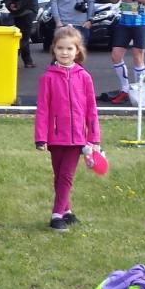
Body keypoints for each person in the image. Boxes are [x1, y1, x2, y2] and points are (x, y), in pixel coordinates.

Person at [33, 25, 100, 231]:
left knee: (66, 176)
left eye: (69, 48)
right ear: (53, 49)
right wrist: (41, 137)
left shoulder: (84, 77)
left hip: (77, 138)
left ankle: (56, 215)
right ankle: (67, 211)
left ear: (77, 51)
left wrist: (94, 138)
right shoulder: (48, 77)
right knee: (59, 175)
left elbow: (91, 110)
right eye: (60, 48)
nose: (64, 52)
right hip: (55, 137)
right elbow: (42, 109)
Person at [7, 0, 39, 67]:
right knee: (24, 38)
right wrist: (19, 5)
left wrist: (12, 5)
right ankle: (11, 58)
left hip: (16, 13)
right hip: (27, 11)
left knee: (22, 36)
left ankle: (28, 61)